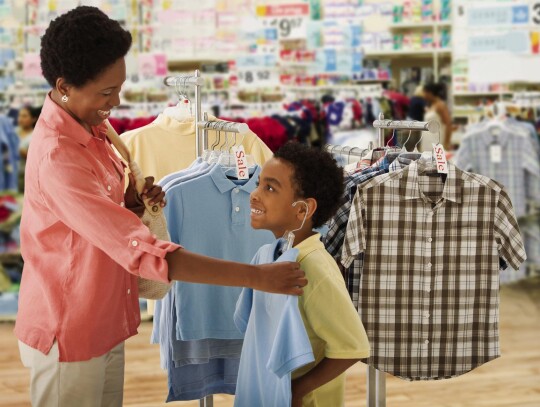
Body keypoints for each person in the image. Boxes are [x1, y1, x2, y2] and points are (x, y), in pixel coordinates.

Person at [14, 6, 305, 407]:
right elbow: (140, 251)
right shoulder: (59, 156)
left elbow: (98, 215)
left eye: (119, 86)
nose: (117, 100)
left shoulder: (93, 125)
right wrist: (257, 277)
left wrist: (133, 203)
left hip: (100, 316)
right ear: (64, 87)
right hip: (69, 326)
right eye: (106, 91)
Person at [249, 142, 370, 407]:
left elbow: (353, 347)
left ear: (302, 210)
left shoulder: (312, 267)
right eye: (258, 184)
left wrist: (298, 389)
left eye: (269, 188)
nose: (254, 194)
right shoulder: (273, 253)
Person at [16, 105, 41, 191]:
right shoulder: (12, 132)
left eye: (24, 116)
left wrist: (24, 153)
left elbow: (39, 159)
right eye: (20, 116)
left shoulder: (36, 136)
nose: (20, 119)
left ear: (33, 119)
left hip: (26, 179)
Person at [422, 82, 453, 151]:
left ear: (430, 93)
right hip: (428, 139)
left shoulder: (440, 105)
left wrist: (446, 143)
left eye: (424, 93)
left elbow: (448, 124)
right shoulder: (432, 105)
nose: (423, 95)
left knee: (435, 160)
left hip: (436, 140)